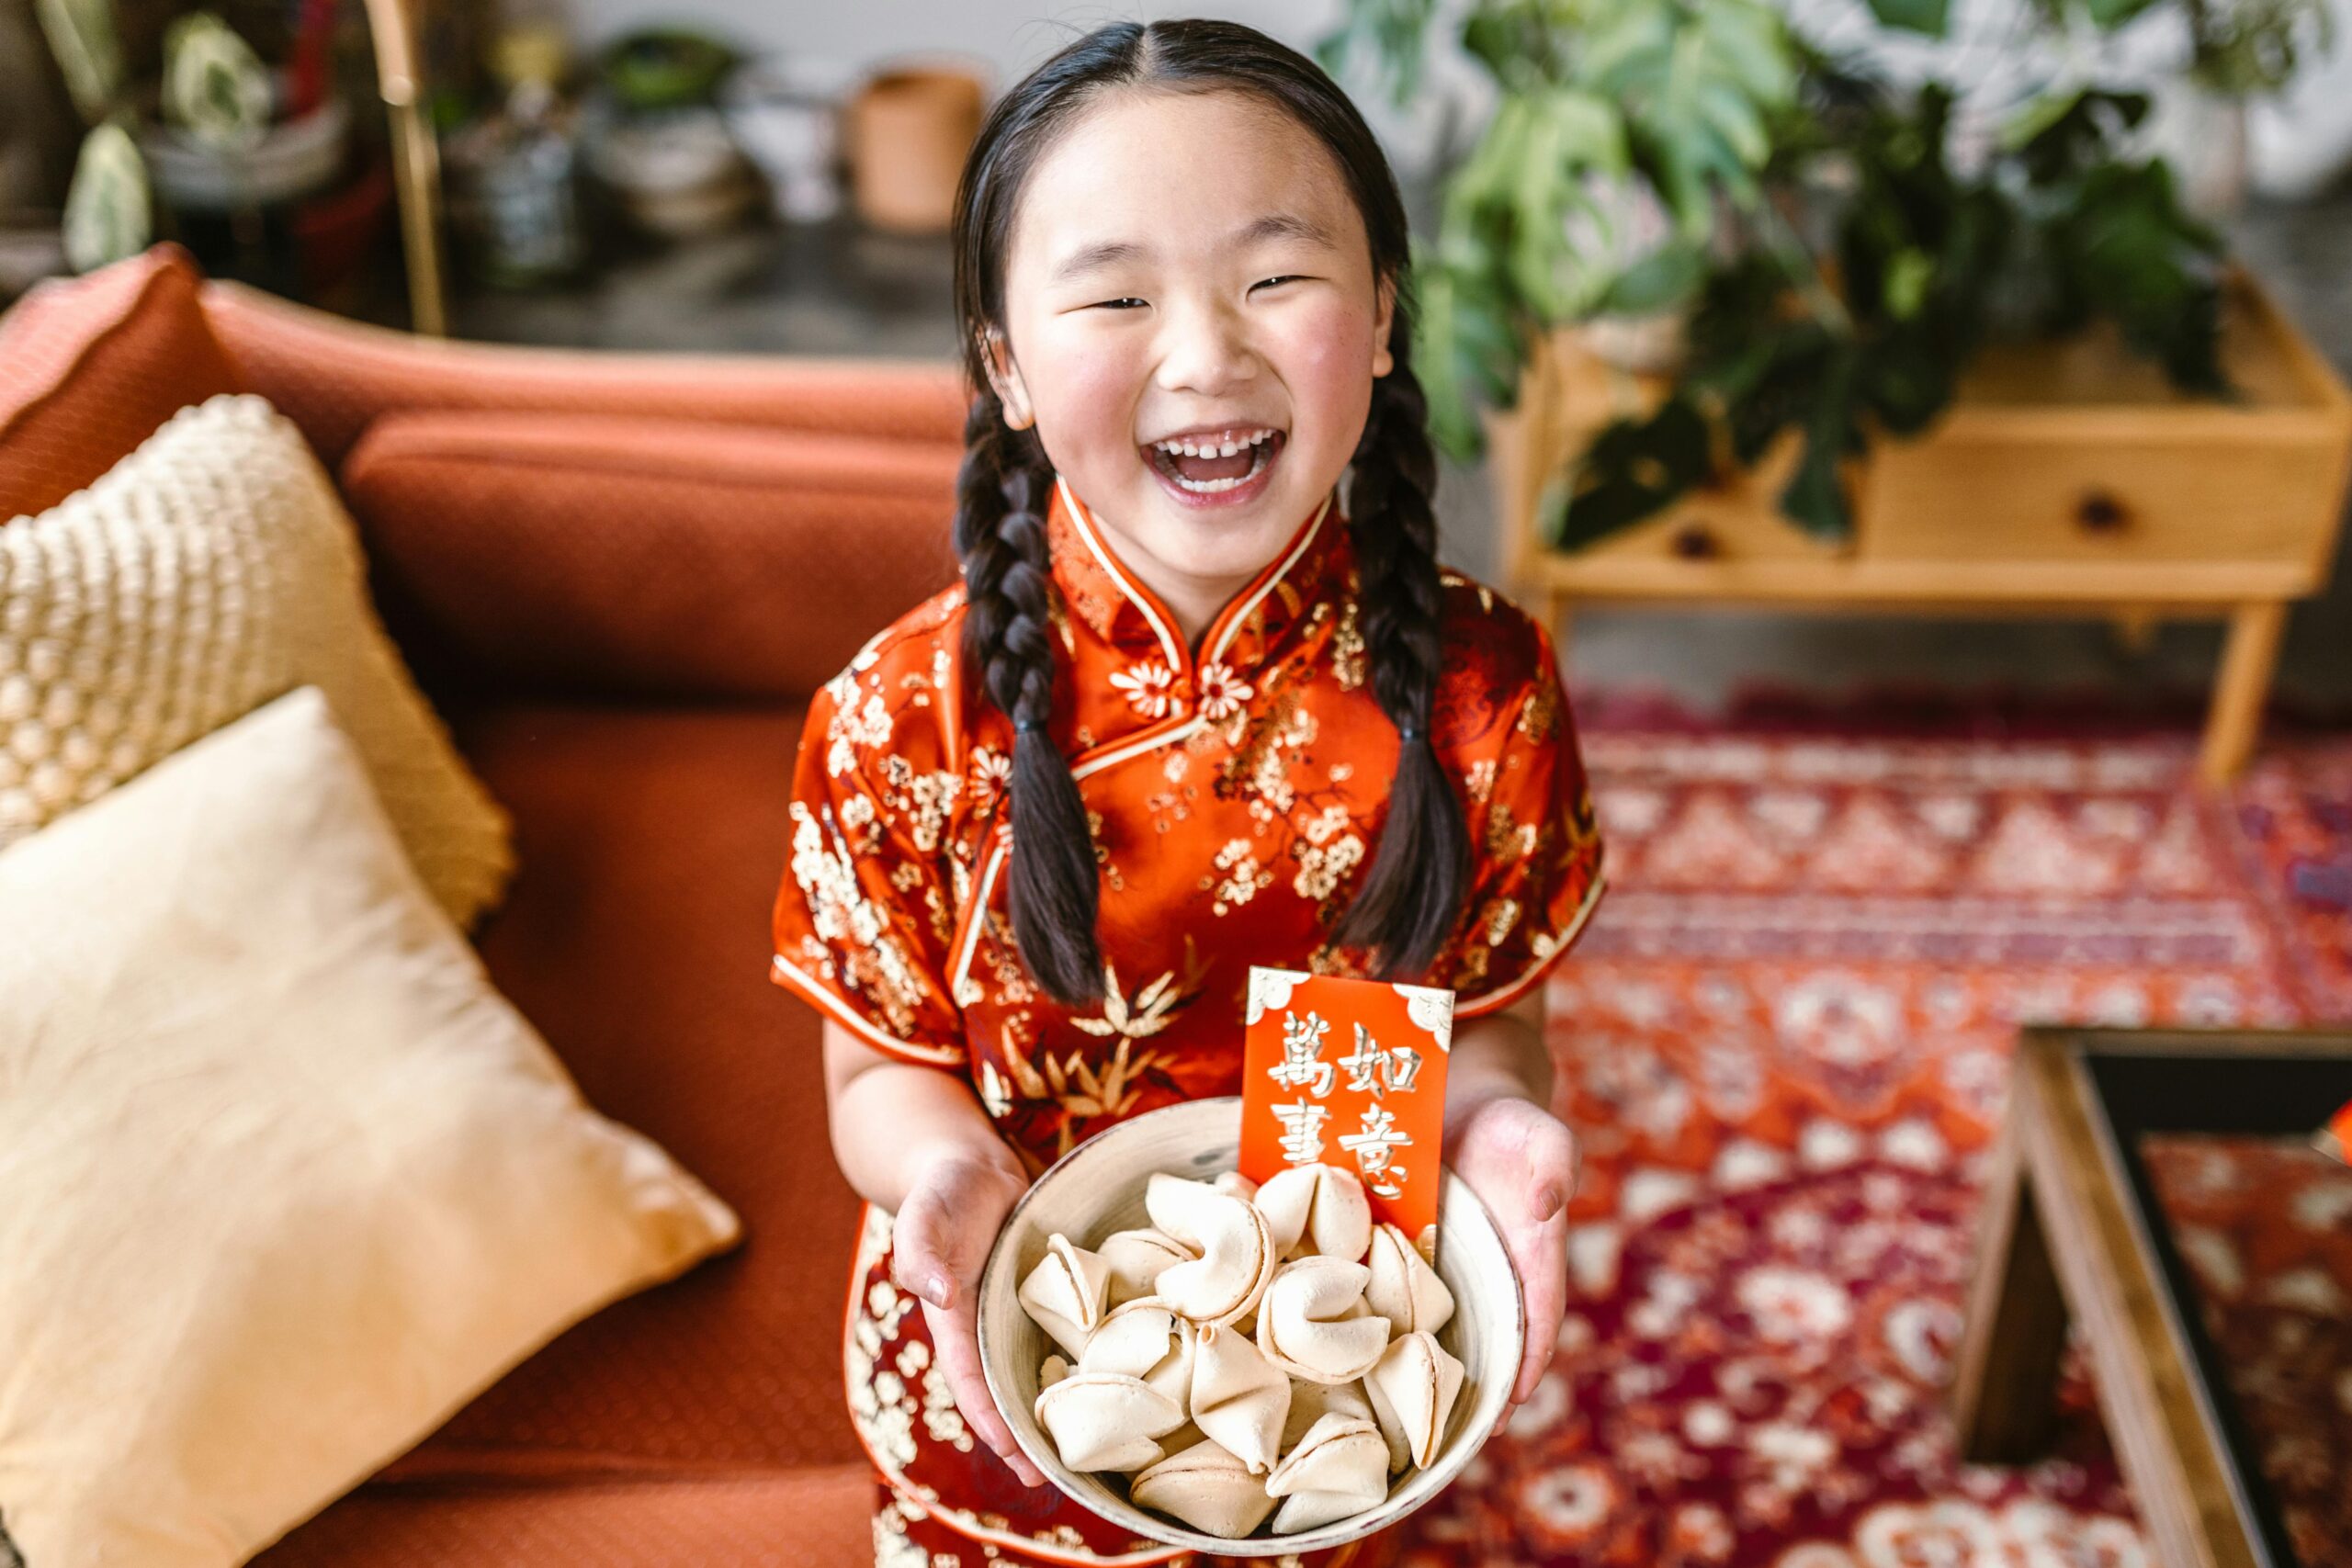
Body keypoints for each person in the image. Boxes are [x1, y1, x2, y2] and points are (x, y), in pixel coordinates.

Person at [766, 18, 1608, 1566]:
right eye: (1114, 294)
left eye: (1276, 277)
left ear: (1382, 319)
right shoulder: (895, 721)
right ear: (1005, 366)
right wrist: (941, 1175)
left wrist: (1501, 1137)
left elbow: (1491, 1017)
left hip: (1339, 1374)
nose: (1206, 354)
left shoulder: (1486, 690)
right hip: (1008, 1379)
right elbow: (874, 1075)